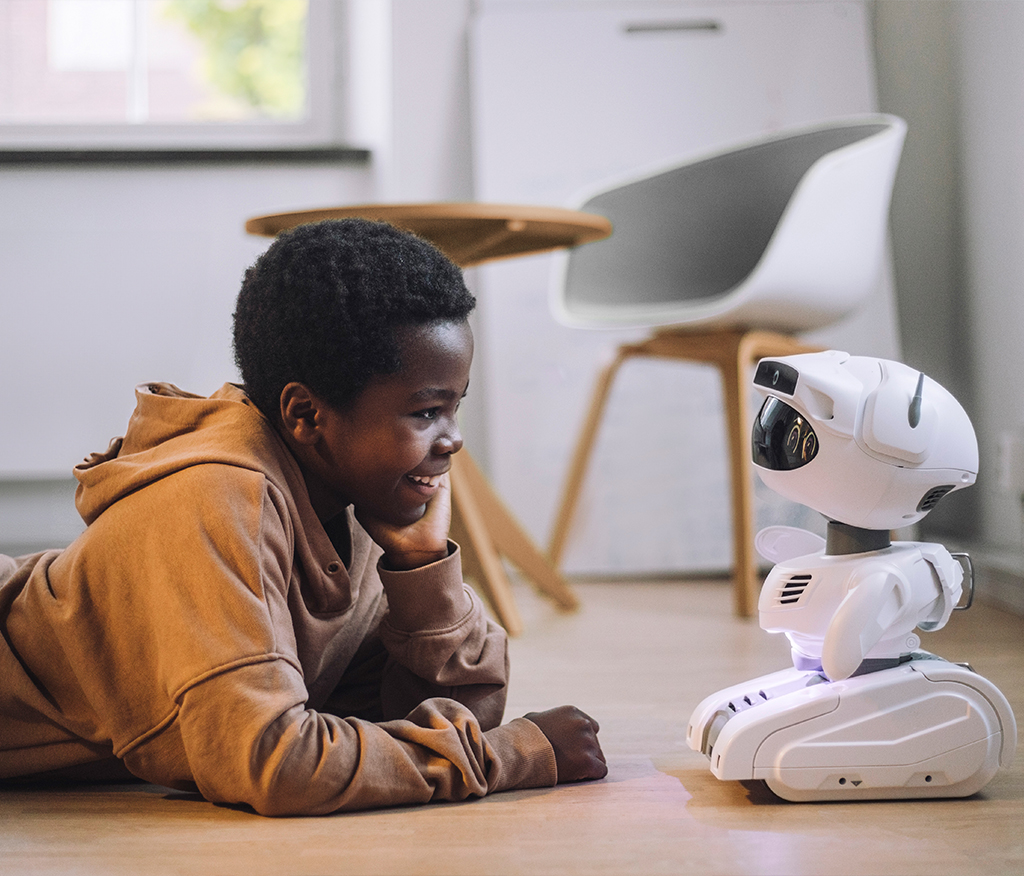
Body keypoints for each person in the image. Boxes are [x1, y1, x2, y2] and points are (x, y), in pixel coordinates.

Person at [0, 218, 606, 816]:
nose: (452, 441)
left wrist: (423, 569)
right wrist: (515, 757)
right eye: (425, 413)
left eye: (455, 408)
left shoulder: (351, 505)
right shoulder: (214, 498)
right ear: (307, 416)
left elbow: (441, 719)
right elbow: (275, 763)